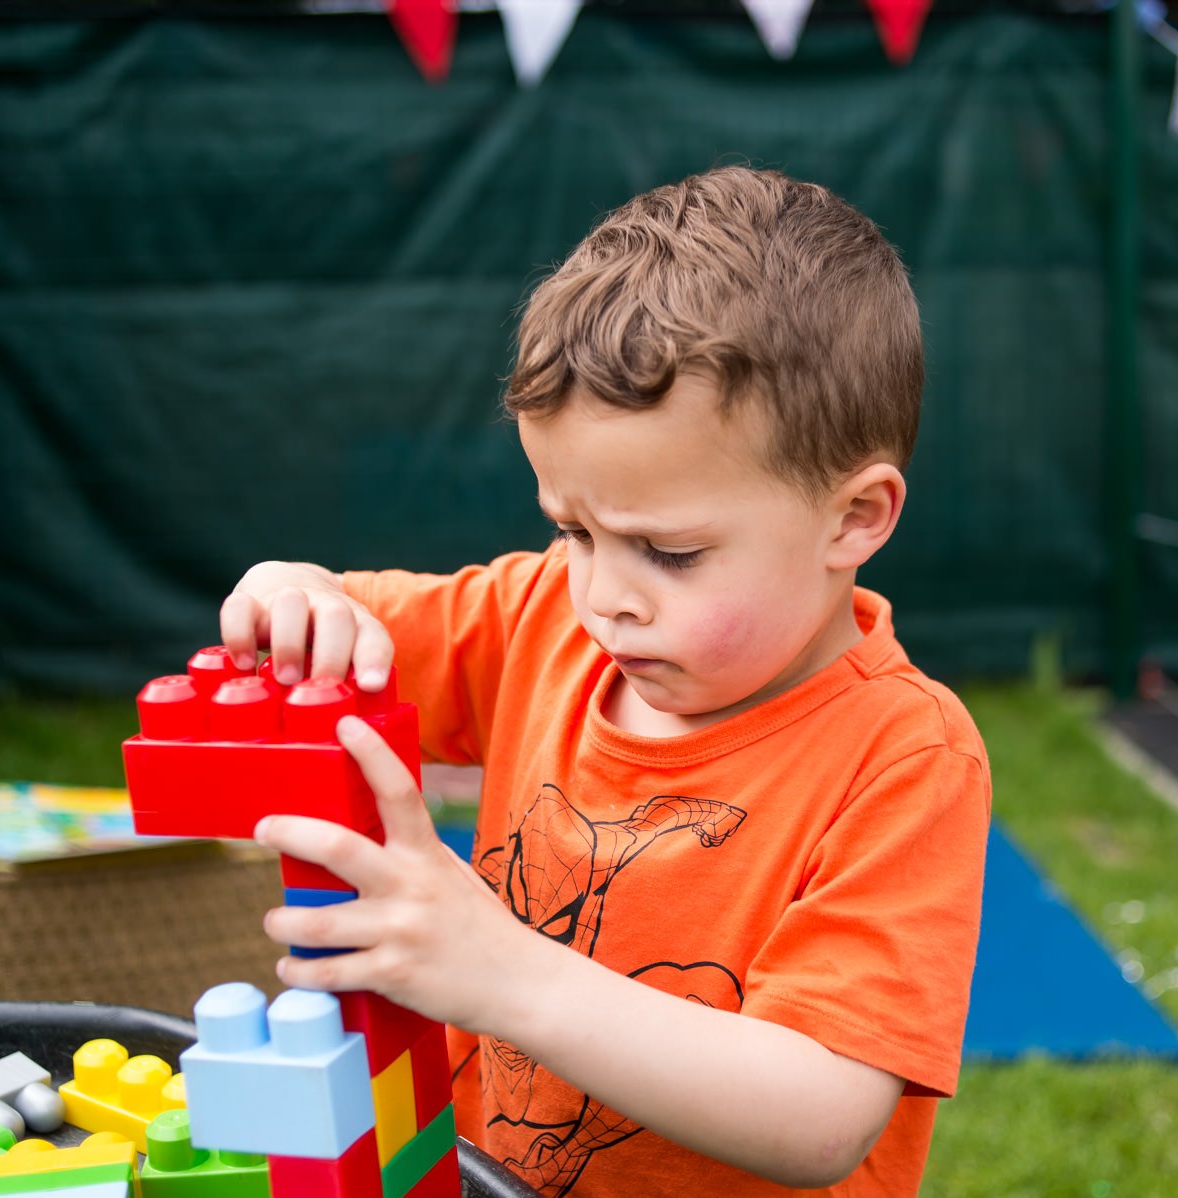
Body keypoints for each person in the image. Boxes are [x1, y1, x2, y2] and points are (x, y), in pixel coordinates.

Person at [219, 166, 991, 1197]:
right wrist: (292, 592)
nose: (604, 598)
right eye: (572, 529)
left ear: (855, 518)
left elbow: (820, 1117)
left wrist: (501, 973)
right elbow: (339, 623)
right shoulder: (541, 616)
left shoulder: (903, 758)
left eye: (667, 552)